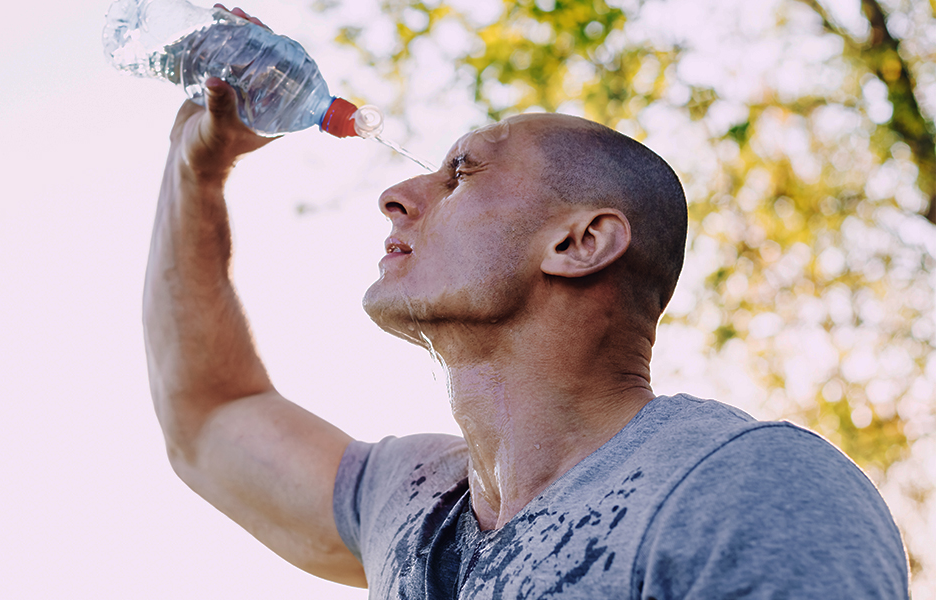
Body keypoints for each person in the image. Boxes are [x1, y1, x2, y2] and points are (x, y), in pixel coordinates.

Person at [141, 9, 910, 598]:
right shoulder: (410, 501)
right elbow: (208, 418)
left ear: (580, 244)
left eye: (462, 173)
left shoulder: (748, 489)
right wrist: (195, 171)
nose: (396, 197)